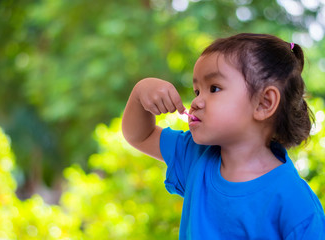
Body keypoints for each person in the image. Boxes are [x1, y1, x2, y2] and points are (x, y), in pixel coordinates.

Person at [121, 33, 325, 239]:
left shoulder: (296, 204)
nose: (196, 102)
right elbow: (141, 136)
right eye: (197, 91)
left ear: (264, 103)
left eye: (214, 88)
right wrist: (141, 91)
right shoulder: (195, 156)